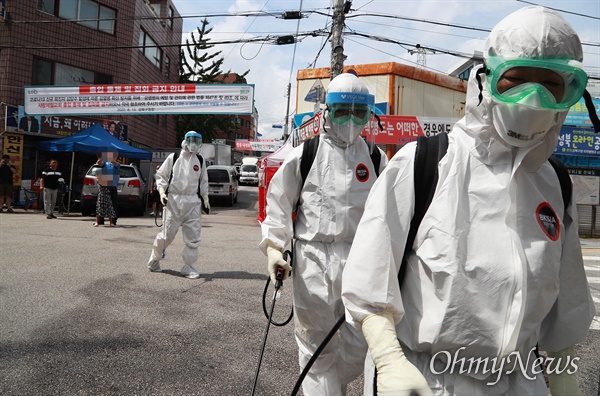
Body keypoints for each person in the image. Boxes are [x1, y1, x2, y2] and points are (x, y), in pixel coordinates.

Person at [341, 6, 596, 396]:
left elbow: (567, 303)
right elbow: (369, 277)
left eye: (551, 84)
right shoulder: (425, 164)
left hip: (520, 381)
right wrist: (389, 359)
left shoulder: (554, 184)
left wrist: (564, 381)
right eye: (517, 79)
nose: (533, 97)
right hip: (429, 381)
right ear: (486, 80)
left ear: (570, 94)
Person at [259, 73, 388, 395]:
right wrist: (275, 247)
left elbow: (390, 213)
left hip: (360, 260)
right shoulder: (305, 155)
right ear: (326, 112)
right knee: (314, 344)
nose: (351, 119)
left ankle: (333, 384)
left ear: (370, 114)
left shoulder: (375, 158)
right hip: (313, 260)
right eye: (343, 110)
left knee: (360, 342)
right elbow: (278, 203)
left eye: (359, 112)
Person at [147, 131, 210, 279]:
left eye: (197, 140)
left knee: (193, 238)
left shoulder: (200, 160)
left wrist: (205, 198)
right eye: (191, 140)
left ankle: (188, 266)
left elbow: (203, 181)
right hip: (174, 201)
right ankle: (154, 259)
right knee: (167, 235)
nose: (194, 143)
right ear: (185, 141)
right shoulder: (174, 158)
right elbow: (161, 175)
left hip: (193, 202)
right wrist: (162, 191)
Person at [93, 150, 119, 227]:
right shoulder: (105, 164)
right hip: (103, 186)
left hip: (112, 187)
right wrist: (100, 159)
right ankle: (100, 220)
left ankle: (113, 221)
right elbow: (99, 163)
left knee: (112, 204)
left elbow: (115, 164)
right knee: (100, 203)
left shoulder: (117, 164)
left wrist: (112, 159)